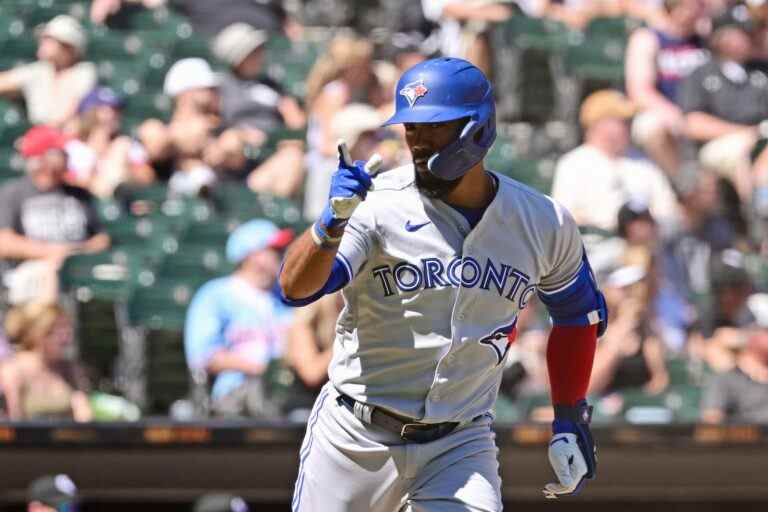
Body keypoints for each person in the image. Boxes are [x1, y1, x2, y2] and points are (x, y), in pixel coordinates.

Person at [280, 58, 606, 509]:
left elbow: (577, 315)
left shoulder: (542, 220)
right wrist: (329, 224)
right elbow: (297, 289)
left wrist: (570, 415)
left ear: (478, 130)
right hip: (356, 435)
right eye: (410, 128)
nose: (418, 141)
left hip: (460, 441)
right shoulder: (376, 205)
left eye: (434, 127)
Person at [184, 219, 294, 417]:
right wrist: (263, 368)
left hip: (286, 390)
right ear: (250, 255)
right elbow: (203, 357)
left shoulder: (286, 298)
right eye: (273, 250)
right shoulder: (216, 294)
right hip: (237, 391)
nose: (281, 255)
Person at [0, 125, 110, 301]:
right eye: (60, 152)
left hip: (80, 264)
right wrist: (51, 252)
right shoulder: (13, 192)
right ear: (40, 157)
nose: (67, 156)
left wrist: (74, 252)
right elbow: (4, 242)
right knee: (47, 275)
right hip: (33, 268)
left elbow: (102, 239)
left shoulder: (79, 194)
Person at [551, 89, 680, 233]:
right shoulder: (573, 164)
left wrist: (646, 226)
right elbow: (562, 219)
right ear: (598, 124)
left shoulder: (644, 163)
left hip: (643, 246)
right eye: (621, 121)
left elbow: (669, 212)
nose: (628, 126)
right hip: (594, 246)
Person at [679, 5, 768, 198]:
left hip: (762, 142)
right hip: (718, 145)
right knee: (740, 151)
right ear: (720, 37)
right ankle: (757, 211)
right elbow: (693, 124)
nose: (748, 37)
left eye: (749, 31)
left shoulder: (761, 71)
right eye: (740, 32)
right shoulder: (701, 74)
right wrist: (747, 133)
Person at [212, 22, 306, 195]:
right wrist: (243, 134)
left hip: (273, 151)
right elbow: (213, 121)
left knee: (293, 156)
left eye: (259, 50)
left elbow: (295, 121)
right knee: (229, 141)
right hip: (237, 151)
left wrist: (282, 139)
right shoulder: (222, 86)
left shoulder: (273, 85)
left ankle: (275, 208)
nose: (259, 55)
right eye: (252, 52)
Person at [625, 0, 709, 176]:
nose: (702, 7)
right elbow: (639, 92)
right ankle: (683, 186)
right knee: (648, 126)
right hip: (671, 113)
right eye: (696, 4)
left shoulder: (706, 37)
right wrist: (676, 115)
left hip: (707, 114)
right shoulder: (648, 38)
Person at [0, 303, 92, 421]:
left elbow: (84, 416)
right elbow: (15, 425)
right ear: (39, 333)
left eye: (68, 329)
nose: (68, 337)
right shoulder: (13, 371)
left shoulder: (69, 370)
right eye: (60, 329)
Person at [0, 15, 96, 127]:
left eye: (49, 40)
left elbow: (69, 115)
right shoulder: (38, 70)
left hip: (64, 137)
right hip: (39, 135)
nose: (43, 42)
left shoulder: (84, 71)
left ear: (68, 47)